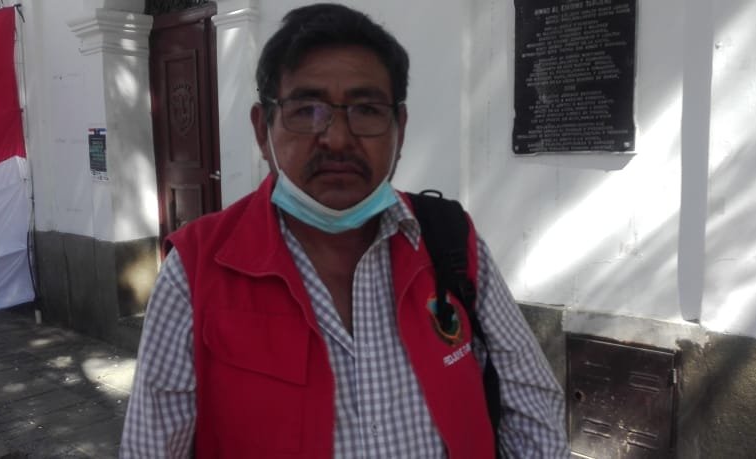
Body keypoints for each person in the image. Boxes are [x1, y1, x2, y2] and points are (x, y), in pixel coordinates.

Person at [120, 3, 569, 458]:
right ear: (262, 131)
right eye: (305, 110)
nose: (336, 138)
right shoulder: (195, 272)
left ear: (400, 129)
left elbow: (533, 409)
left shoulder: (450, 241)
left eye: (367, 109)